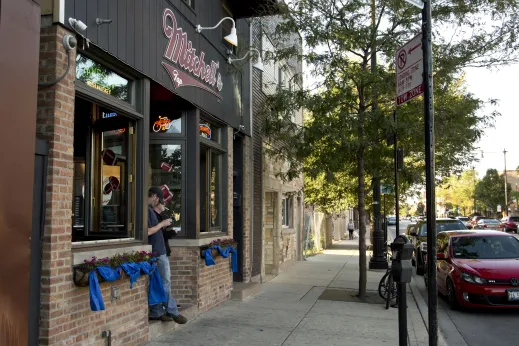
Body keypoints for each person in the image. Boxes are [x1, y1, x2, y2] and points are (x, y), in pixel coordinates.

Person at [148, 186, 188, 324]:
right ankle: (172, 311)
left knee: (159, 283)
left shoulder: (150, 211)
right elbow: (148, 231)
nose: (159, 203)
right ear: (154, 196)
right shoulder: (147, 210)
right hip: (157, 252)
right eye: (159, 200)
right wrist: (163, 224)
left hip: (160, 251)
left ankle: (156, 311)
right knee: (165, 282)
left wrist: (165, 228)